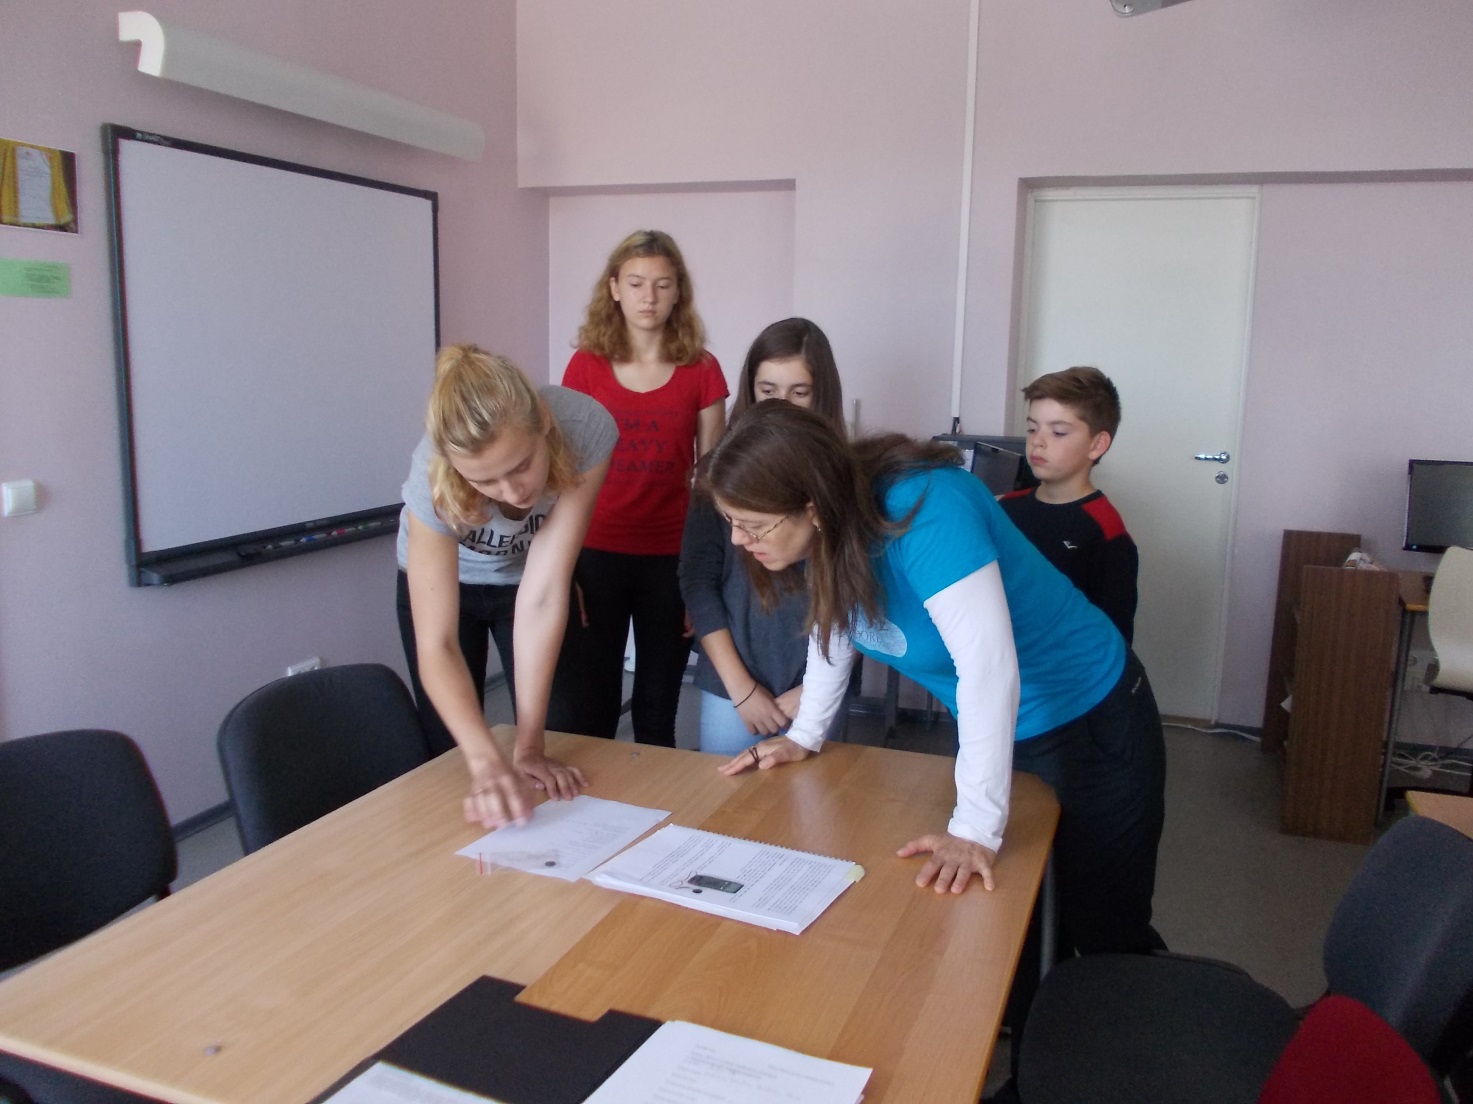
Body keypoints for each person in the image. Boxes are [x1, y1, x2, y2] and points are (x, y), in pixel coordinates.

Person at [702, 402, 1166, 962]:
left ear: (812, 505)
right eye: (732, 522)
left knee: (1103, 926)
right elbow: (837, 620)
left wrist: (973, 827)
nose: (737, 541)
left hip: (1093, 717)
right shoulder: (823, 530)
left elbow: (988, 668)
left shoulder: (926, 507)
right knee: (1012, 924)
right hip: (1004, 733)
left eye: (751, 525)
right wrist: (805, 734)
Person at [396, 343, 616, 829]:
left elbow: (542, 591)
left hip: (525, 577)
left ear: (542, 420)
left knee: (560, 728)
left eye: (520, 466)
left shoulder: (585, 428)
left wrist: (529, 746)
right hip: (445, 585)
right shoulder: (428, 474)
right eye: (485, 482)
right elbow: (437, 643)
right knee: (455, 753)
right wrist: (484, 761)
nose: (513, 493)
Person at [551, 230, 728, 746]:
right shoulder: (585, 365)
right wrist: (564, 569)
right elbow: (564, 470)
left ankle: (661, 821)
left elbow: (710, 480)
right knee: (593, 711)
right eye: (636, 283)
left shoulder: (702, 369)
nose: (648, 297)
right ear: (614, 289)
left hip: (670, 560)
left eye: (662, 284)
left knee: (657, 712)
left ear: (678, 292)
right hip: (596, 554)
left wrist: (705, 577)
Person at [678, 318, 847, 755]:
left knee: (815, 810)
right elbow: (698, 579)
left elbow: (862, 597)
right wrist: (741, 689)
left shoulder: (844, 476)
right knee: (727, 808)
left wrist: (814, 690)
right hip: (733, 688)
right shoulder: (720, 470)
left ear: (821, 393)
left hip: (817, 683)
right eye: (768, 390)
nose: (783, 405)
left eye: (800, 392)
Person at [999, 365, 1138, 644]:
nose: (1038, 442)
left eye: (1058, 432)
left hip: (1063, 679)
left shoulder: (1107, 535)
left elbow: (1112, 641)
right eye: (1032, 428)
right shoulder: (1005, 508)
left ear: (1097, 445)